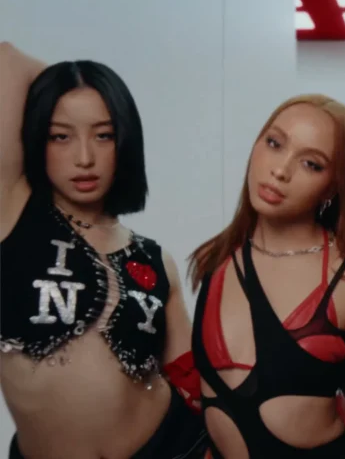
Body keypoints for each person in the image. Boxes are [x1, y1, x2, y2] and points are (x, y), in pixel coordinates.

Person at [0, 42, 206, 458]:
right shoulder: (12, 214)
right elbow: (5, 60)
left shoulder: (153, 257)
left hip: (174, 447)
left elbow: (189, 375)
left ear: (124, 140)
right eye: (61, 136)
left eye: (104, 135)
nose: (84, 158)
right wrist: (69, 82)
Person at [187, 94, 345, 458]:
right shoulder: (218, 258)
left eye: (310, 164)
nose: (280, 170)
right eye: (274, 143)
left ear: (333, 186)